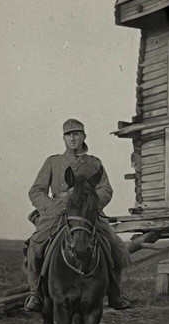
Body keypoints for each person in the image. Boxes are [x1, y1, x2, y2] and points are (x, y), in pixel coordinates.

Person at [24, 118, 130, 312]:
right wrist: (50, 207)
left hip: (87, 212)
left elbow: (106, 189)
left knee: (115, 245)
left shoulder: (94, 163)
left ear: (83, 136)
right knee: (34, 246)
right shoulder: (53, 162)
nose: (72, 138)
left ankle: (115, 293)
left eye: (76, 134)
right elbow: (36, 191)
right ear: (63, 138)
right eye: (68, 135)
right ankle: (35, 294)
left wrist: (90, 203)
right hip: (57, 211)